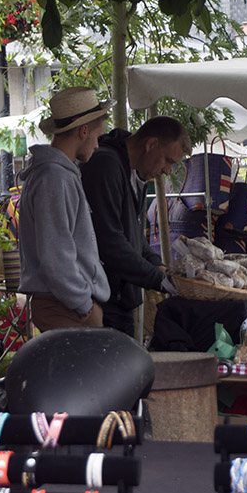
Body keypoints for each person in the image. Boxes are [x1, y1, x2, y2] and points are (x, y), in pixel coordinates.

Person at [80, 116, 189, 337]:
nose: (167, 171)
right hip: (101, 301)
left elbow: (135, 238)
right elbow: (109, 241)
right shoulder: (105, 165)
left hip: (119, 298)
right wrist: (160, 280)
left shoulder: (132, 172)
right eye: (167, 160)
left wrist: (158, 266)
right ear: (150, 144)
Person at [17, 86, 113, 332]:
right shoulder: (54, 177)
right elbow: (56, 254)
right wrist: (83, 305)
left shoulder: (56, 174)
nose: (97, 145)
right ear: (83, 131)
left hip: (65, 303)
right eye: (97, 136)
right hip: (65, 306)